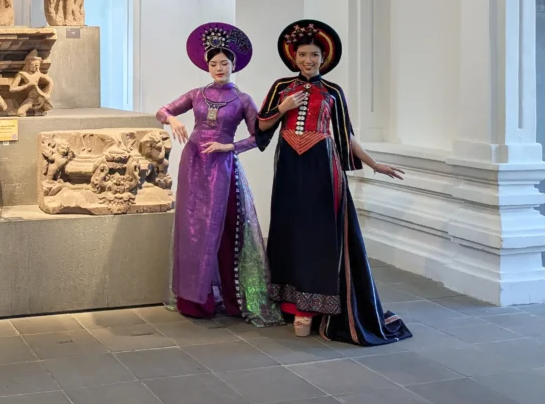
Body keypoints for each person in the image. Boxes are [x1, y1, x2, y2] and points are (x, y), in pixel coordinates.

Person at [256, 19, 412, 345]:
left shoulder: (333, 92)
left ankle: (312, 307)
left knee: (320, 235)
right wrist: (282, 108)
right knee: (289, 229)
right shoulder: (281, 87)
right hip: (288, 168)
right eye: (303, 55)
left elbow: (345, 136)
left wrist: (373, 163)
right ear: (293, 57)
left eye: (314, 55)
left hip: (322, 169)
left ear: (323, 58)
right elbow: (261, 126)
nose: (308, 60)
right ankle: (290, 302)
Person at [156, 23, 282, 326]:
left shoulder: (243, 100)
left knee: (220, 227)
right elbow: (162, 110)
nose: (219, 68)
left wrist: (230, 146)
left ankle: (229, 295)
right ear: (207, 66)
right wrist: (173, 121)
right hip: (194, 163)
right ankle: (194, 298)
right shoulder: (197, 94)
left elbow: (259, 137)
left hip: (222, 166)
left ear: (234, 65)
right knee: (192, 227)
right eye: (213, 63)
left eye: (224, 63)